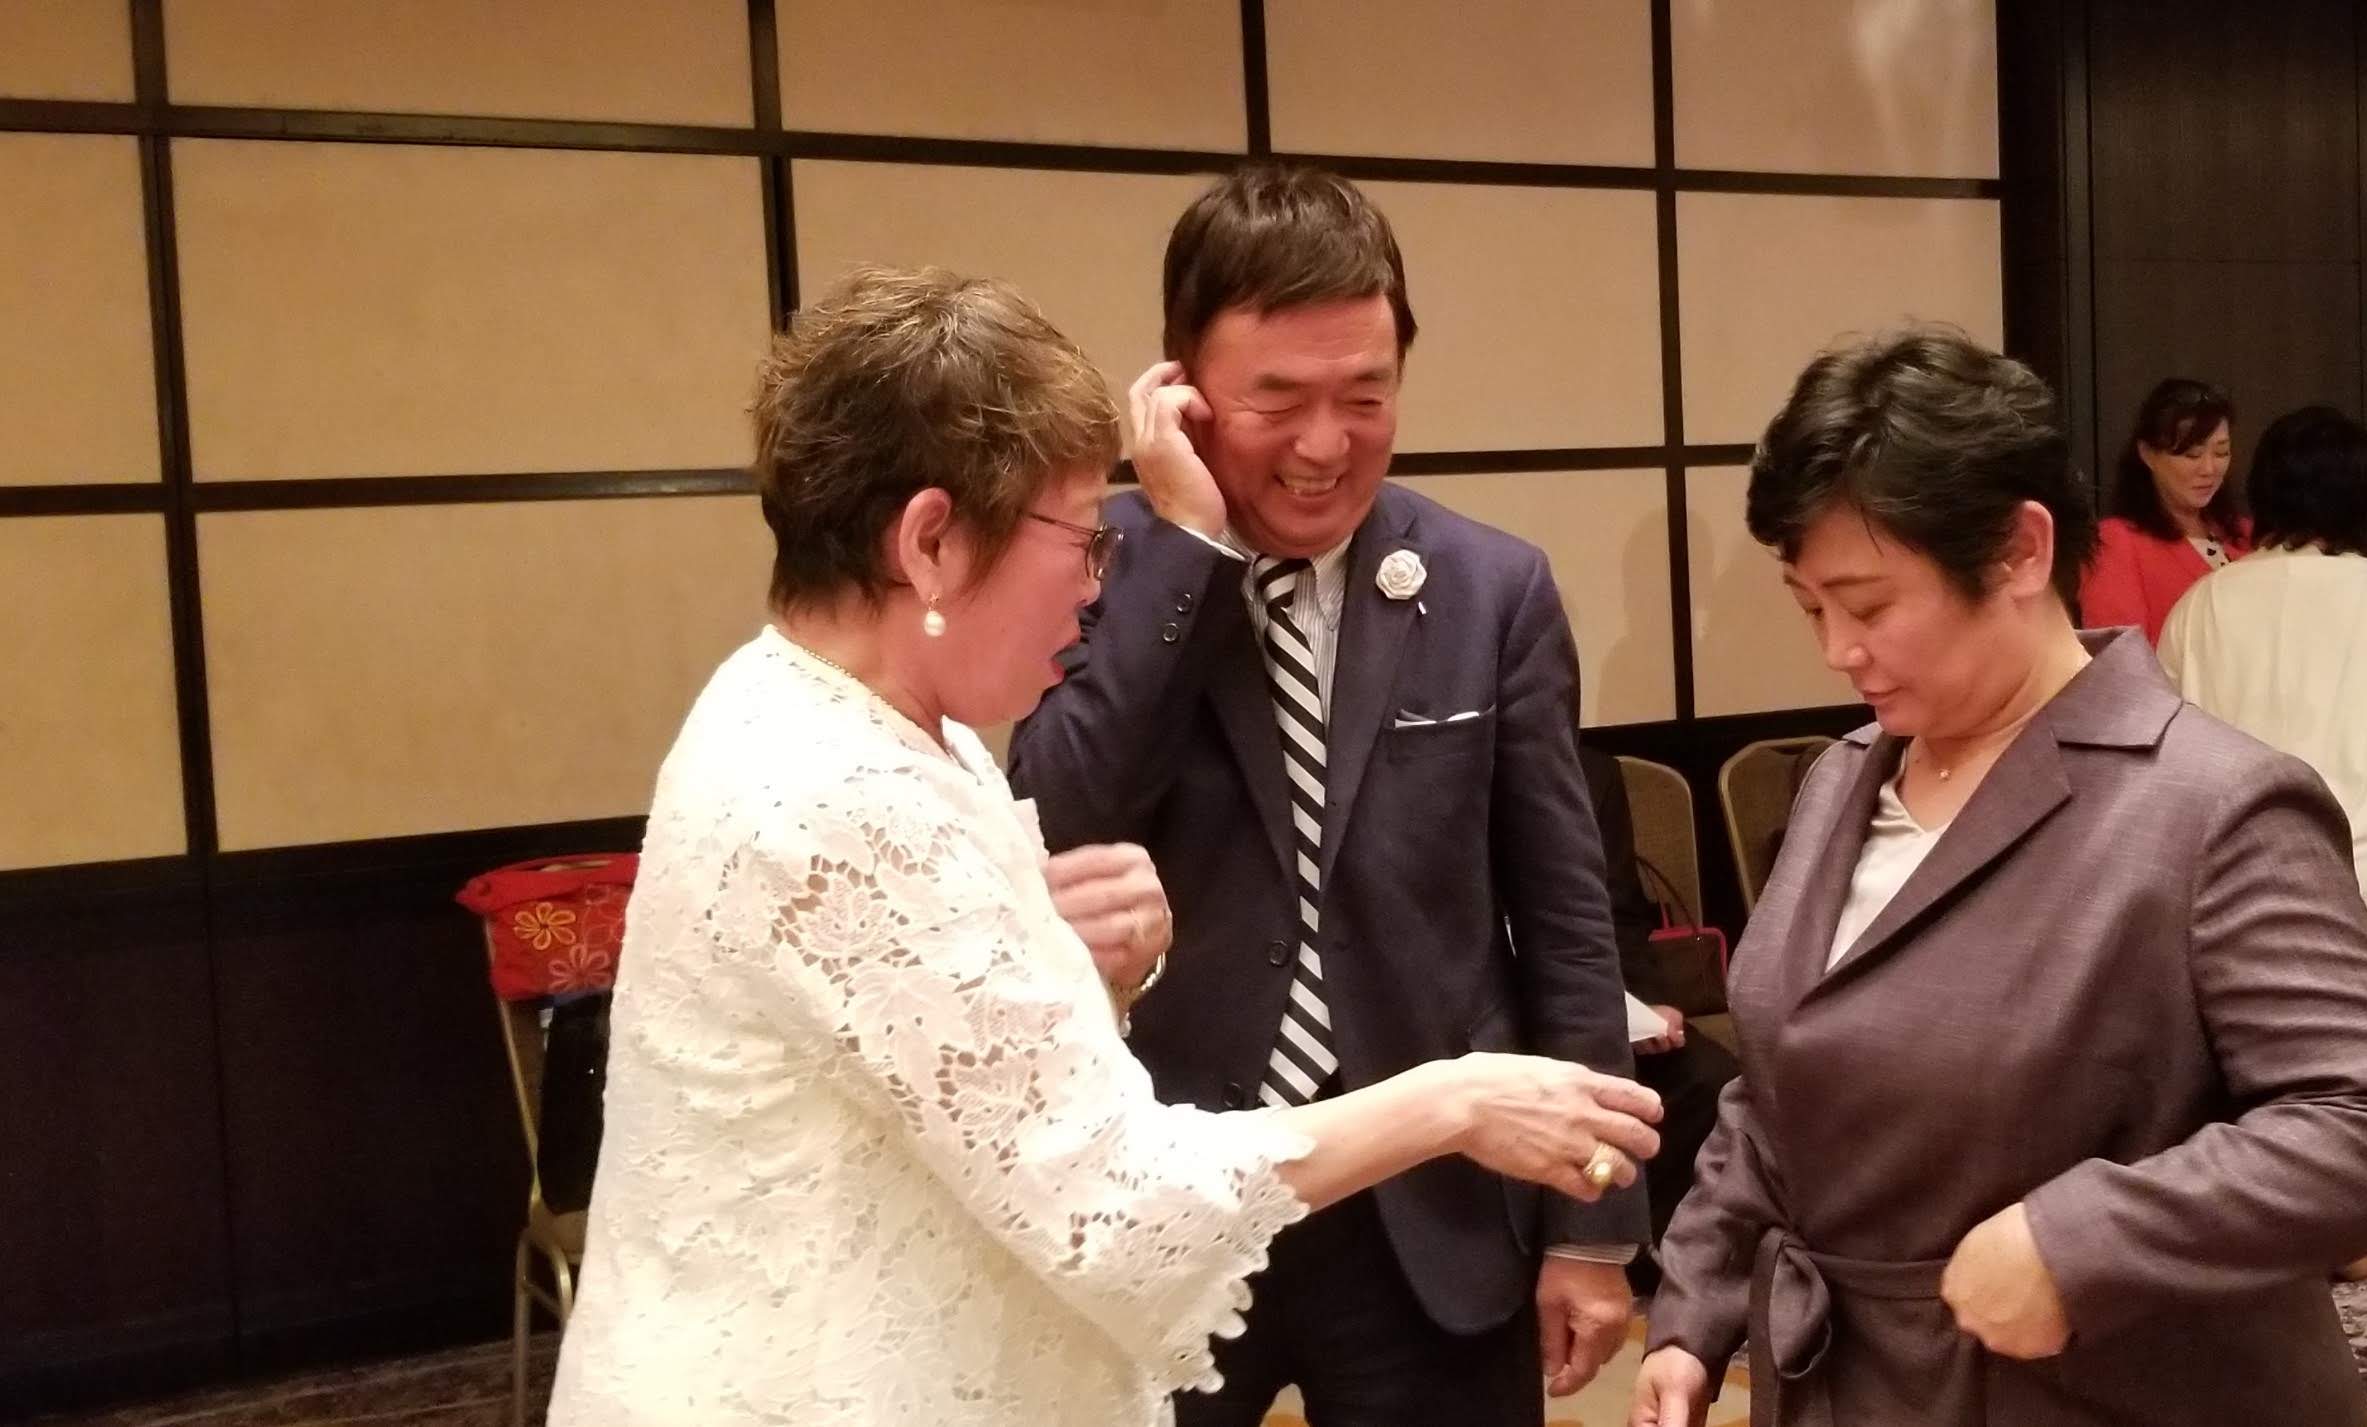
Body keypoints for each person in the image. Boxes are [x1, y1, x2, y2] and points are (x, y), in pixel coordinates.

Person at [545, 268, 1661, 1427]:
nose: (1093, 585)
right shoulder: (837, 791)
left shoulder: (856, 720)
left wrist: (1079, 967)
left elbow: (941, 1057)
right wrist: (1451, 1101)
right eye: (1079, 536)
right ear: (930, 541)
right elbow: (1106, 1208)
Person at [1627, 329, 2367, 1427]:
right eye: (1808, 606)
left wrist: (2082, 1241)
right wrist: (1693, 1308)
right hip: (1849, 1382)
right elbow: (1787, 1083)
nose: (1836, 649)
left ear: (2021, 551)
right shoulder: (1840, 782)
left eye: (1868, 605)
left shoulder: (2208, 805)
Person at [1006, 164, 1648, 1427]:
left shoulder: (1492, 588)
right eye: (1277, 399)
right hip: (1174, 1192)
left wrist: (1592, 1218)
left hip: (1432, 1202)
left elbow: (1566, 918)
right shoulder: (1102, 569)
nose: (1323, 444)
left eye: (1365, 394)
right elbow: (1057, 817)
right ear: (1181, 390)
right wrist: (1188, 551)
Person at [2159, 404, 2367, 961]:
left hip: (2235, 876)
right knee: (2364, 1017)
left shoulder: (2201, 603)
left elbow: (2167, 745)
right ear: (2363, 498)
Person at [1578, 741, 1742, 1277]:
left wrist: (1646, 1002)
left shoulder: (1593, 772)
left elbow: (1622, 911)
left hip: (1598, 997)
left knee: (1711, 1078)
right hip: (1497, 1010)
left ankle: (1660, 1255)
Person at [2076, 378, 2249, 645]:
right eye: (2192, 455)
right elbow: (2119, 657)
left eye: (2221, 452)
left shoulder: (2247, 533)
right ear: (2147, 454)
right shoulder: (2116, 542)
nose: (2209, 469)